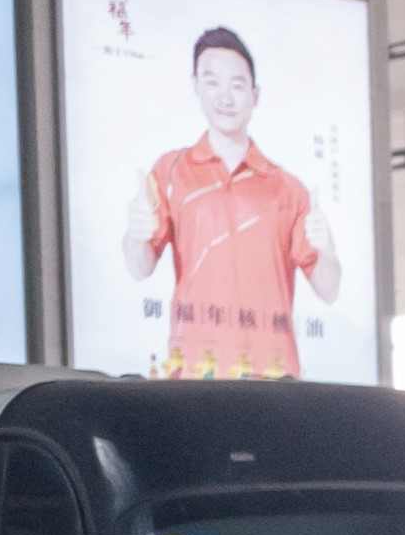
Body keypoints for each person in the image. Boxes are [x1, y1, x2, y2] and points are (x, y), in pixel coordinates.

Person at [113, 25, 341, 380]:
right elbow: (139, 267)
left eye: (237, 85)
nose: (225, 97)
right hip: (193, 377)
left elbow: (328, 289)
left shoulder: (287, 188)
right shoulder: (171, 171)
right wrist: (135, 236)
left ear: (255, 95)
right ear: (196, 87)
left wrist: (327, 250)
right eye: (211, 82)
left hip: (273, 378)